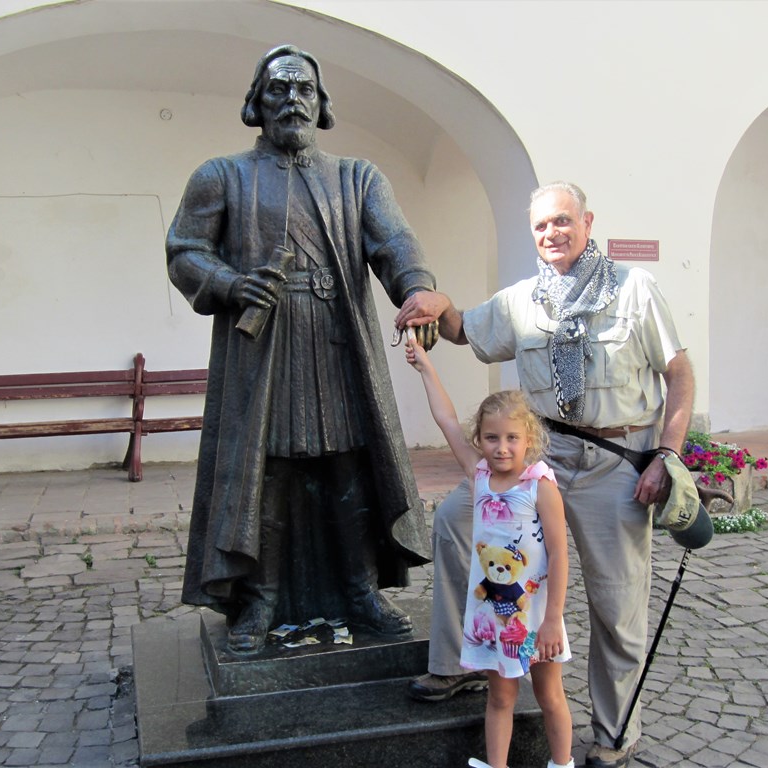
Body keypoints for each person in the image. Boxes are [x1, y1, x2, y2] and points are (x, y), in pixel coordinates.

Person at [395, 181, 695, 768]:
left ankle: (614, 734)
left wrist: (668, 453)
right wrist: (437, 300)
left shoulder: (636, 289)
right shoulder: (521, 300)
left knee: (616, 603)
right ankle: (464, 662)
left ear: (587, 221)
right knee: (457, 518)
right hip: (542, 456)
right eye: (540, 226)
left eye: (562, 221)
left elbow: (679, 375)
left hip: (616, 462)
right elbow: (461, 328)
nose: (552, 234)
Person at [167, 44, 439, 655]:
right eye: (279, 90)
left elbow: (394, 242)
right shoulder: (222, 176)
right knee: (269, 472)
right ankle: (258, 599)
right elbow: (185, 251)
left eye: (304, 91)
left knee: (346, 465)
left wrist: (417, 290)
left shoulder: (357, 177)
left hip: (338, 343)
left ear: (322, 105)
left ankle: (360, 589)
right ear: (256, 104)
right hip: (263, 351)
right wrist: (231, 283)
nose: (293, 100)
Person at [405, 330, 575, 768]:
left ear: (528, 440)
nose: (502, 448)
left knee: (549, 694)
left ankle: (562, 764)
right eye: (492, 438)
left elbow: (559, 554)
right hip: (493, 614)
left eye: (512, 439)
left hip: (535, 613)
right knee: (500, 695)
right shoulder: (478, 476)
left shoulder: (539, 485)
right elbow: (445, 419)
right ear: (479, 439)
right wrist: (426, 367)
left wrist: (554, 620)